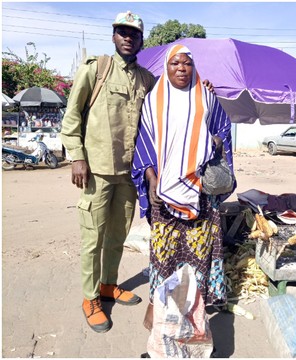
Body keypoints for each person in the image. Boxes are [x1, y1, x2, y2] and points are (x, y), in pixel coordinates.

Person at [61, 11, 156, 333]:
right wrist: (77, 157)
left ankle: (108, 285)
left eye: (134, 33)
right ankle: (90, 298)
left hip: (130, 174)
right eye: (122, 31)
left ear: (142, 40)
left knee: (117, 236)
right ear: (114, 35)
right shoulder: (96, 70)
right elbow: (72, 117)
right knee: (92, 239)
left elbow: (167, 106)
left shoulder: (147, 80)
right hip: (97, 170)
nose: (128, 37)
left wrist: (204, 85)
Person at [130, 44, 235, 335]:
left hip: (201, 195)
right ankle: (159, 318)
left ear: (194, 67)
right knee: (164, 256)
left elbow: (224, 132)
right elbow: (143, 143)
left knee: (198, 261)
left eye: (187, 64)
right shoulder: (152, 102)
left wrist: (213, 146)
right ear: (167, 66)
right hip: (163, 195)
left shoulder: (207, 99)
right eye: (175, 63)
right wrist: (151, 176)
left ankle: (193, 326)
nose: (181, 68)